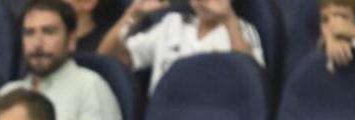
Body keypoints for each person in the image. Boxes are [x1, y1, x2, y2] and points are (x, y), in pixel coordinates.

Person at [1, 0, 122, 120]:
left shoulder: (90, 86)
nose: (37, 43)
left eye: (48, 32)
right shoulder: (7, 92)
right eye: (29, 33)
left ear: (71, 40)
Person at [98, 0, 265, 93]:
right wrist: (132, 15)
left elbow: (251, 82)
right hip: (164, 119)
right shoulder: (172, 24)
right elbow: (107, 59)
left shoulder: (240, 29)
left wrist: (229, 19)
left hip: (215, 117)